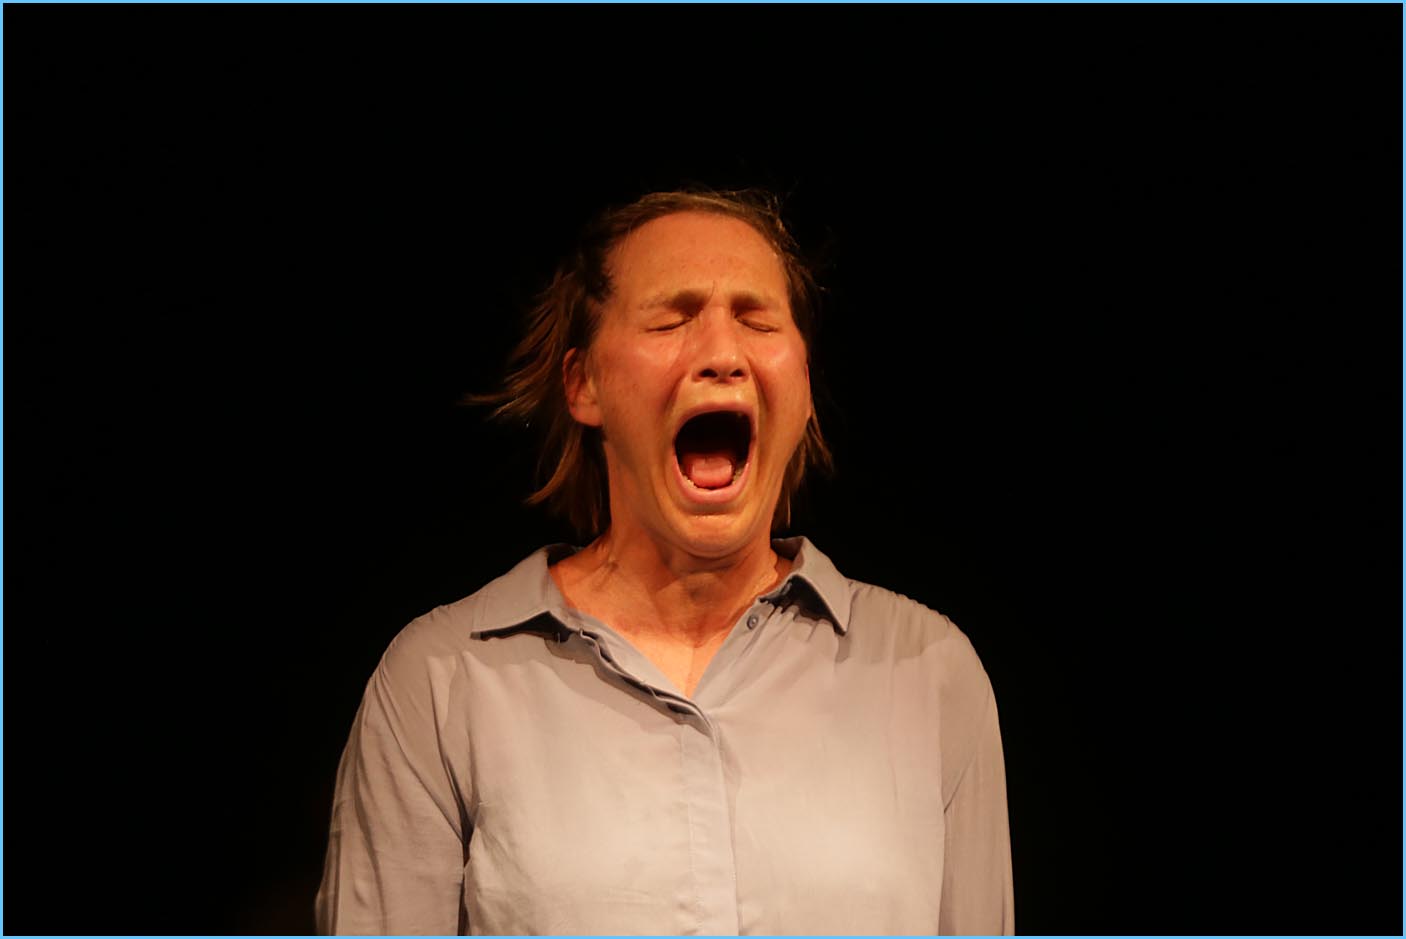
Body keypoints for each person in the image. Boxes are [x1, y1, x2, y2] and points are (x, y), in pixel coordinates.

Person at [315, 189, 1014, 935]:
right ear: (584, 383)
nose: (722, 355)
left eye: (757, 320)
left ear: (805, 386)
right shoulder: (441, 683)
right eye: (671, 320)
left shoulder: (930, 673)